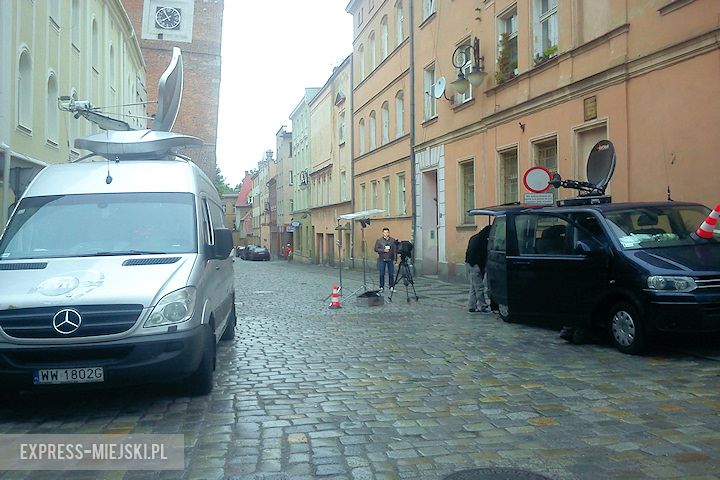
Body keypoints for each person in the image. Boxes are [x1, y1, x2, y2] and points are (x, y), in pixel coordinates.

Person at [465, 223, 492, 314]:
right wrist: (479, 267)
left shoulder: (475, 237)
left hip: (471, 264)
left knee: (474, 287)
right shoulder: (482, 241)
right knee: (479, 287)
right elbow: (478, 255)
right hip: (475, 265)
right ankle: (483, 306)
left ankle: (471, 306)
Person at [374, 227, 397, 292]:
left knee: (391, 273)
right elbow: (375, 249)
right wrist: (383, 250)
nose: (386, 234)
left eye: (387, 232)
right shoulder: (379, 240)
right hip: (382, 259)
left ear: (389, 233)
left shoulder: (392, 240)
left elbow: (395, 250)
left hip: (390, 259)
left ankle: (391, 286)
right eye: (384, 232)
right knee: (381, 274)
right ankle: (381, 287)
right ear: (382, 233)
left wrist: (395, 259)